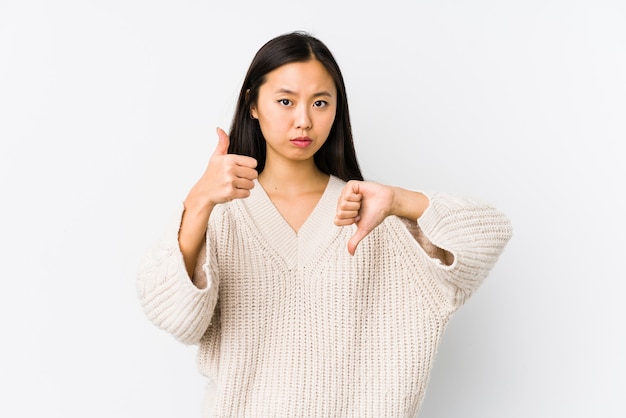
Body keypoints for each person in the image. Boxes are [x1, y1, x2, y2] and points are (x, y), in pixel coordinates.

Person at [136, 31, 512, 417]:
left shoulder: (369, 216)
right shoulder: (222, 212)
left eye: (320, 103)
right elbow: (176, 318)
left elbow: (488, 233)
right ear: (252, 104)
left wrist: (400, 200)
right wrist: (199, 200)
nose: (304, 121)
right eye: (285, 101)